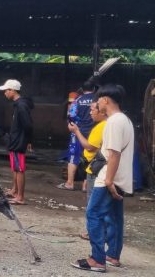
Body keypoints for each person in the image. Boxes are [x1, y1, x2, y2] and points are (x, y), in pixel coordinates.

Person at [72, 84, 134, 273]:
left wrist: (107, 181)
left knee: (93, 214)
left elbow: (113, 154)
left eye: (98, 100)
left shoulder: (114, 122)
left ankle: (97, 259)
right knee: (114, 217)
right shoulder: (125, 120)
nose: (97, 104)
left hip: (108, 178)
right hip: (121, 177)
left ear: (105, 100)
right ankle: (112, 255)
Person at [68, 101, 107, 241]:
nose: (90, 112)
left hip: (96, 167)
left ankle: (93, 233)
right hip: (97, 167)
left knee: (93, 205)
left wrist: (77, 131)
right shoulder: (104, 125)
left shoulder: (102, 127)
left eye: (92, 110)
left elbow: (89, 146)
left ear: (102, 111)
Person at [0, 79, 33, 205]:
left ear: (12, 90)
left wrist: (27, 140)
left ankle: (20, 197)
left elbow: (28, 125)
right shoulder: (19, 104)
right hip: (16, 140)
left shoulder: (21, 106)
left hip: (19, 141)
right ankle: (15, 191)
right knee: (15, 168)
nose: (5, 93)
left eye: (6, 90)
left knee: (19, 169)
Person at [58, 81, 97, 191]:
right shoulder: (97, 100)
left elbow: (71, 116)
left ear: (82, 89)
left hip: (78, 132)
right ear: (94, 88)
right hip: (93, 133)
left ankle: (70, 183)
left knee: (73, 157)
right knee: (90, 158)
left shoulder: (77, 100)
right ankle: (86, 185)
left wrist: (73, 126)